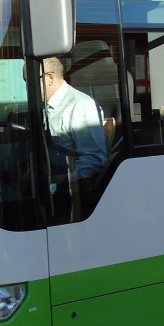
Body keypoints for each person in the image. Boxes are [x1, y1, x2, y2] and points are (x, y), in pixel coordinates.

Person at [40, 56, 107, 221]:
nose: (26, 87)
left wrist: (63, 178)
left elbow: (95, 159)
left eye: (28, 80)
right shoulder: (44, 106)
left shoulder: (81, 105)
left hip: (68, 195)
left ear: (49, 78)